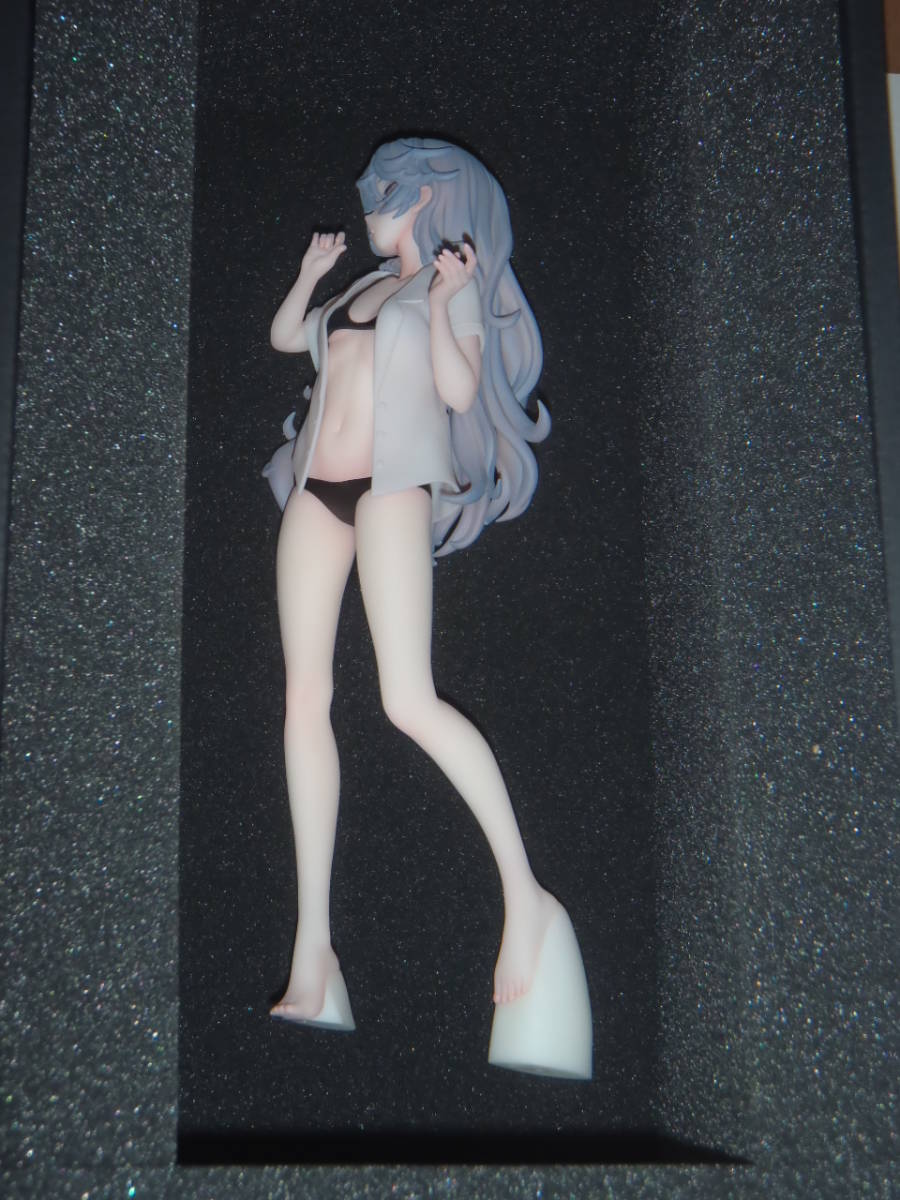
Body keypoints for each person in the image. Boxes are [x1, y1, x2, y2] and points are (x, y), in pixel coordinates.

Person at [263, 138, 590, 1074]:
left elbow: (457, 389)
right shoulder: (359, 290)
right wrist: (309, 275)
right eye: (376, 190)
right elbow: (288, 341)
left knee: (407, 700)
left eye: (393, 191)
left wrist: (446, 306)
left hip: (393, 488)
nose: (375, 202)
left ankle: (526, 898)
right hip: (316, 492)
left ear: (432, 201)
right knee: (303, 700)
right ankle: (314, 953)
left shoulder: (451, 288)